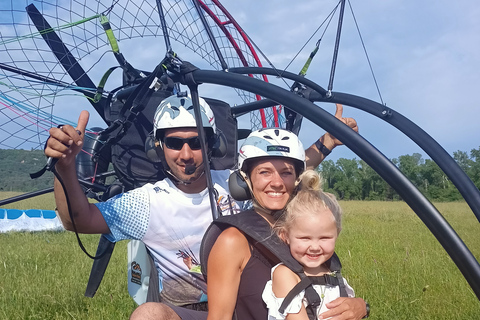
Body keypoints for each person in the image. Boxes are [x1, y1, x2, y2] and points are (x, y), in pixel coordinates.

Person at [44, 92, 357, 319]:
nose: (185, 153)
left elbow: (280, 176)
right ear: (158, 147)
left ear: (212, 145)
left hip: (253, 305)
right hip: (191, 311)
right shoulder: (148, 202)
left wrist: (326, 142)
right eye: (173, 142)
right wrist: (65, 167)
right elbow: (78, 219)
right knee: (148, 315)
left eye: (195, 142)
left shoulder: (235, 183)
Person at [205, 128, 367, 320]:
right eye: (265, 172)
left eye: (286, 173)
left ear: (297, 179)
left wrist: (361, 307)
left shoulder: (306, 229)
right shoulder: (232, 241)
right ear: (245, 179)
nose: (277, 182)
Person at [262, 169, 357, 319]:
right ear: (285, 236)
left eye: (324, 238)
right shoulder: (286, 275)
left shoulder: (333, 273)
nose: (314, 247)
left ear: (337, 234)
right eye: (305, 238)